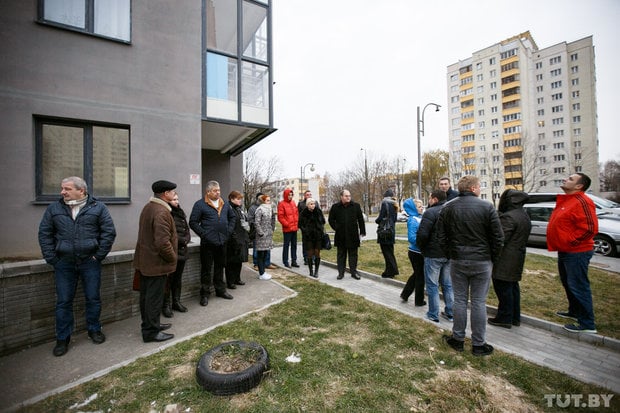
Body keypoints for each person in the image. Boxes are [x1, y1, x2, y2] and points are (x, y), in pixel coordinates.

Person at [38, 176, 117, 357]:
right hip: (63, 263)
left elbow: (108, 232)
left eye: (67, 188)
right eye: (62, 188)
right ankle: (62, 339)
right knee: (64, 301)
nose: (62, 192)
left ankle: (94, 330)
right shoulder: (54, 208)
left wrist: (98, 255)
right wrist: (52, 259)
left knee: (93, 298)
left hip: (90, 261)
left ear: (81, 190)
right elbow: (45, 234)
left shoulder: (98, 208)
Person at [437, 175, 504, 356]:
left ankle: (458, 339)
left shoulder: (448, 207)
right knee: (478, 302)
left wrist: (451, 254)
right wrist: (492, 257)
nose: (480, 189)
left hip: (459, 260)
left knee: (460, 300)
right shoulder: (487, 207)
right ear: (474, 188)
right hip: (481, 261)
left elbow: (441, 237)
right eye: (479, 186)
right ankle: (478, 344)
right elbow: (498, 238)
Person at [547, 173, 598, 334]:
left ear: (579, 186)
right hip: (565, 250)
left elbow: (590, 228)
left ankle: (587, 323)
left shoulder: (583, 201)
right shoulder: (568, 200)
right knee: (568, 283)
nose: (565, 179)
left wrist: (571, 242)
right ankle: (575, 311)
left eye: (570, 179)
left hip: (577, 252)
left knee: (578, 285)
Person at [133, 180, 178, 343]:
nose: (174, 194)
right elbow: (162, 242)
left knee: (147, 297)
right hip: (156, 264)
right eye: (173, 192)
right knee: (153, 298)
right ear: (165, 194)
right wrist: (173, 258)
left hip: (146, 262)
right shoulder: (161, 212)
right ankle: (151, 332)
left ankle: (152, 325)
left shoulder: (149, 207)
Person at [488, 189, 531, 329]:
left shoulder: (509, 217)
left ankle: (504, 317)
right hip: (517, 256)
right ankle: (514, 317)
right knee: (512, 287)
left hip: (506, 258)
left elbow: (500, 238)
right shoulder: (523, 215)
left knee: (503, 287)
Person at [189, 181, 236, 306]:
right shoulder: (200, 205)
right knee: (206, 269)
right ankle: (205, 294)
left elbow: (232, 217)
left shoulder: (225, 203)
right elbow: (193, 222)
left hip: (222, 241)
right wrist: (204, 235)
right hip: (208, 243)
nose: (218, 192)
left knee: (220, 267)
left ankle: (220, 290)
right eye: (215, 191)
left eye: (219, 190)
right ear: (208, 192)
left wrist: (228, 231)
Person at [417, 190, 454, 323]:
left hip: (433, 254)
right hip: (448, 254)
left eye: (430, 198)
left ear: (435, 199)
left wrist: (422, 248)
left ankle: (433, 314)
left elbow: (422, 234)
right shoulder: (452, 211)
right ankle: (450, 313)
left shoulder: (430, 212)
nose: (429, 200)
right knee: (448, 284)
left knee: (432, 285)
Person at [162, 193, 191, 317]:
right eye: (174, 199)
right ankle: (166, 305)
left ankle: (176, 301)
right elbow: (168, 234)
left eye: (177, 199)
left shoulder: (180, 212)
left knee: (177, 279)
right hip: (171, 252)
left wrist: (186, 239)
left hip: (182, 252)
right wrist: (181, 241)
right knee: (168, 280)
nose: (176, 201)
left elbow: (186, 229)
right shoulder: (166, 213)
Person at [328, 189, 366, 280]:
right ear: (341, 197)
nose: (348, 197)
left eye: (349, 196)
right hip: (340, 235)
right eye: (346, 196)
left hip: (353, 235)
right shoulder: (335, 207)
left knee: (353, 255)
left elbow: (360, 219)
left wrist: (362, 232)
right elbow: (331, 220)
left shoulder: (356, 206)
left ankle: (353, 272)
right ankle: (341, 273)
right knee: (341, 255)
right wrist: (336, 228)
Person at [400, 198, 427, 306]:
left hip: (419, 252)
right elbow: (411, 238)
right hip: (416, 253)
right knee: (420, 276)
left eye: (422, 207)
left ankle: (405, 294)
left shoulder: (419, 218)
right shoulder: (412, 220)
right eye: (420, 207)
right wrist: (424, 242)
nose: (422, 209)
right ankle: (418, 301)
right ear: (414, 208)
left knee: (417, 274)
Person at [225, 191, 250, 289]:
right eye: (238, 199)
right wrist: (234, 237)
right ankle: (230, 281)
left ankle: (237, 278)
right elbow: (229, 225)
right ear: (232, 198)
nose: (240, 201)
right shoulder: (228, 208)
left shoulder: (239, 209)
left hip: (241, 238)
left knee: (239, 260)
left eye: (241, 199)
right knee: (231, 261)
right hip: (233, 239)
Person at [248, 192, 277, 271]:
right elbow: (251, 220)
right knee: (257, 249)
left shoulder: (269, 208)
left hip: (267, 232)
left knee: (267, 249)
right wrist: (259, 229)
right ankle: (256, 264)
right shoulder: (254, 208)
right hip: (257, 232)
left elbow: (273, 218)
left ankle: (267, 263)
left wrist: (272, 228)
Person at [299, 197, 326, 278]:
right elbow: (300, 224)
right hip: (308, 237)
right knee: (310, 253)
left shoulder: (318, 211)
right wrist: (306, 231)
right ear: (307, 205)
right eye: (311, 204)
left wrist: (319, 226)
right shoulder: (304, 213)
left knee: (317, 253)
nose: (313, 205)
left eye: (314, 204)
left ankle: (316, 271)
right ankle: (311, 270)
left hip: (318, 236)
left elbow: (323, 221)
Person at [375, 189, 399, 278]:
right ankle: (389, 271)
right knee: (390, 251)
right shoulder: (395, 204)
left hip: (384, 232)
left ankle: (392, 271)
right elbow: (394, 219)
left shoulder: (385, 203)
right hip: (391, 230)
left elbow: (380, 217)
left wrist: (377, 221)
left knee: (386, 253)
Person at [254, 194, 275, 280]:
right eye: (267, 200)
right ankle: (261, 273)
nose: (269, 202)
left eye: (269, 200)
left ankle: (264, 271)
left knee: (266, 253)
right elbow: (257, 222)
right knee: (261, 254)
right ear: (263, 201)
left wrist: (272, 230)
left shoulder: (270, 209)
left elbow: (272, 220)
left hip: (268, 235)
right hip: (262, 236)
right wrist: (261, 233)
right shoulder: (259, 209)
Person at [278, 188, 300, 268]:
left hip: (294, 228)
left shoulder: (293, 203)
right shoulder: (281, 204)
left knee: (294, 245)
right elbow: (280, 217)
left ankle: (294, 260)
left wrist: (297, 224)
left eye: (291, 195)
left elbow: (296, 214)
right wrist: (287, 224)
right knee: (286, 245)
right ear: (285, 195)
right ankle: (285, 261)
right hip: (287, 229)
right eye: (289, 195)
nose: (290, 196)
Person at [299, 190, 321, 265]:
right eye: (307, 195)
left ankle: (314, 258)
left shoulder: (316, 202)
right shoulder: (301, 204)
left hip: (314, 229)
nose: (309, 196)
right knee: (305, 243)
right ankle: (306, 258)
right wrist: (303, 228)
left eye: (310, 194)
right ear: (304, 196)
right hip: (305, 228)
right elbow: (299, 216)